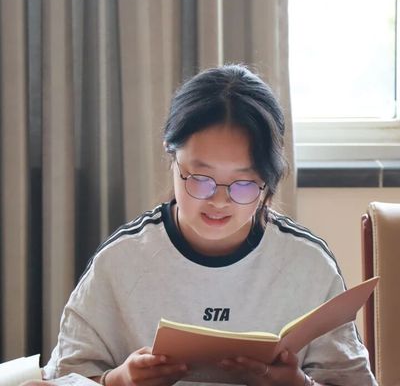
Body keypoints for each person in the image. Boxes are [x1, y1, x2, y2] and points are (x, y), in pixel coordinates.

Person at [43, 64, 377, 386]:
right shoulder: (121, 260)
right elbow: (62, 376)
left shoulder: (308, 264)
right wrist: (118, 380)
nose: (219, 201)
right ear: (172, 155)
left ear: (269, 179)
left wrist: (300, 384)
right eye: (201, 179)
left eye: (243, 184)